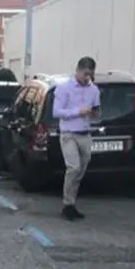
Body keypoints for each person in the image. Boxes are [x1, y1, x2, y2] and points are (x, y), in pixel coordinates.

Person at [52, 57, 100, 221]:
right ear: (78, 70)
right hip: (69, 134)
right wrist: (77, 111)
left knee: (81, 169)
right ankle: (68, 204)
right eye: (85, 73)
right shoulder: (64, 88)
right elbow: (57, 112)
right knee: (73, 167)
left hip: (85, 133)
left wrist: (94, 113)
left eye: (90, 74)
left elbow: (96, 112)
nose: (87, 77)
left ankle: (72, 202)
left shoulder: (94, 90)